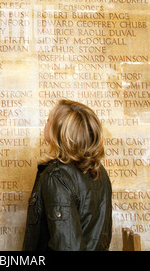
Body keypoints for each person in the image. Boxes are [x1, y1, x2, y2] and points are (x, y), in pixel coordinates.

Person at [22, 99, 112, 251]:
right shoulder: (99, 171)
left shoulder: (56, 176)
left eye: (49, 120)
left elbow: (67, 246)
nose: (46, 123)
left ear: (59, 130)